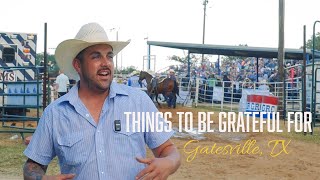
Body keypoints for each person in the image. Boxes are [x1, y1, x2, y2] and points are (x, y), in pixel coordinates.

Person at [23, 22, 180, 180]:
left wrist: (169, 162)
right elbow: (33, 165)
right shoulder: (55, 113)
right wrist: (40, 179)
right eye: (96, 56)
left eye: (109, 56)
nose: (106, 63)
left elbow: (167, 149)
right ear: (78, 65)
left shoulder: (138, 102)